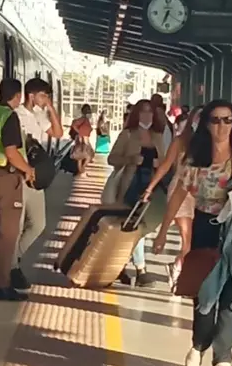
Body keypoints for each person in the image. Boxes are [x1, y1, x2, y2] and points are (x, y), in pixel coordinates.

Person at [152, 100, 232, 366]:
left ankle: (223, 356)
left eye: (227, 120)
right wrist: (164, 230)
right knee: (205, 291)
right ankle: (199, 343)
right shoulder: (196, 156)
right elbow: (180, 192)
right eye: (215, 120)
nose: (222, 126)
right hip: (206, 225)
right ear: (206, 124)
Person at [0, 78, 35, 302]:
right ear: (17, 96)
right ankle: (1, 285)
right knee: (7, 233)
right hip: (6, 177)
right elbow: (11, 152)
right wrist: (28, 170)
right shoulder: (9, 116)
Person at [108, 99, 166, 287]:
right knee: (133, 225)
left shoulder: (157, 136)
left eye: (150, 112)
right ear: (136, 115)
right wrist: (130, 159)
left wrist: (161, 164)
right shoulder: (127, 135)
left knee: (141, 226)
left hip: (151, 186)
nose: (147, 116)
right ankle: (140, 269)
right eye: (142, 112)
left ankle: (121, 265)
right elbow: (112, 158)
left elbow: (166, 161)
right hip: (130, 184)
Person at [12, 78, 63, 291]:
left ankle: (13, 259)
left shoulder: (39, 116)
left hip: (36, 176)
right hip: (21, 175)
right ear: (31, 95)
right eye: (44, 96)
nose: (46, 100)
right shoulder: (17, 116)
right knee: (18, 224)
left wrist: (50, 108)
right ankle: (11, 268)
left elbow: (58, 133)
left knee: (38, 223)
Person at [142, 105, 204, 263]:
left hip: (203, 193)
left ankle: (178, 268)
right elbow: (166, 165)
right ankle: (179, 272)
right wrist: (150, 187)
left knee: (194, 241)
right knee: (186, 240)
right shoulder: (180, 141)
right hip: (180, 189)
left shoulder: (213, 145)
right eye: (198, 117)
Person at [70, 104, 95, 176]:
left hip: (82, 140)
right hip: (83, 140)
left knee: (80, 157)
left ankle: (81, 171)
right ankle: (81, 171)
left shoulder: (85, 120)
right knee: (87, 156)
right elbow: (74, 124)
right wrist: (80, 132)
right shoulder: (83, 119)